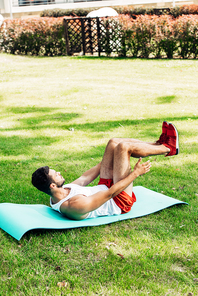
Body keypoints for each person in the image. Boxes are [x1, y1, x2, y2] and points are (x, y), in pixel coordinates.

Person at [32, 121, 179, 220]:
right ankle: (168, 148)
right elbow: (110, 193)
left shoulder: (62, 190)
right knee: (124, 148)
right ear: (52, 185)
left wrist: (111, 158)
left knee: (114, 143)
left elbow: (85, 178)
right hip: (118, 200)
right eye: (55, 174)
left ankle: (157, 144)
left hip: (105, 186)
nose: (58, 173)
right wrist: (135, 173)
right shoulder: (73, 206)